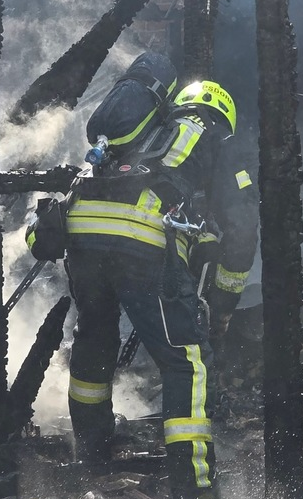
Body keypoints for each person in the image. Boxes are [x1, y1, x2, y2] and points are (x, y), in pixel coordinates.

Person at [63, 56, 258, 499]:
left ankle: (91, 457)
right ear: (221, 117)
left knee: (94, 341)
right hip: (139, 240)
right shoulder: (215, 139)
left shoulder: (145, 129)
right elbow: (243, 228)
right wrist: (224, 306)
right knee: (186, 360)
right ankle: (195, 485)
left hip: (82, 233)